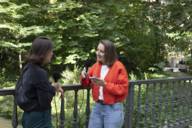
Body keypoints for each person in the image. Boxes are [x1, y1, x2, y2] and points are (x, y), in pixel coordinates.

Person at [17, 37, 63, 128]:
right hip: (40, 119)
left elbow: (35, 89)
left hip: (28, 117)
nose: (52, 53)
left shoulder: (27, 67)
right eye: (50, 51)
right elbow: (45, 101)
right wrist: (53, 89)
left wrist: (50, 86)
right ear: (44, 53)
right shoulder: (39, 72)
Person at [81, 40, 129, 128]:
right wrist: (84, 77)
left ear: (109, 53)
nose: (98, 53)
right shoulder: (96, 66)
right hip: (98, 107)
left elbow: (123, 89)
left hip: (113, 108)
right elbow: (86, 84)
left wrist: (105, 84)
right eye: (97, 50)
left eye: (101, 51)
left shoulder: (118, 66)